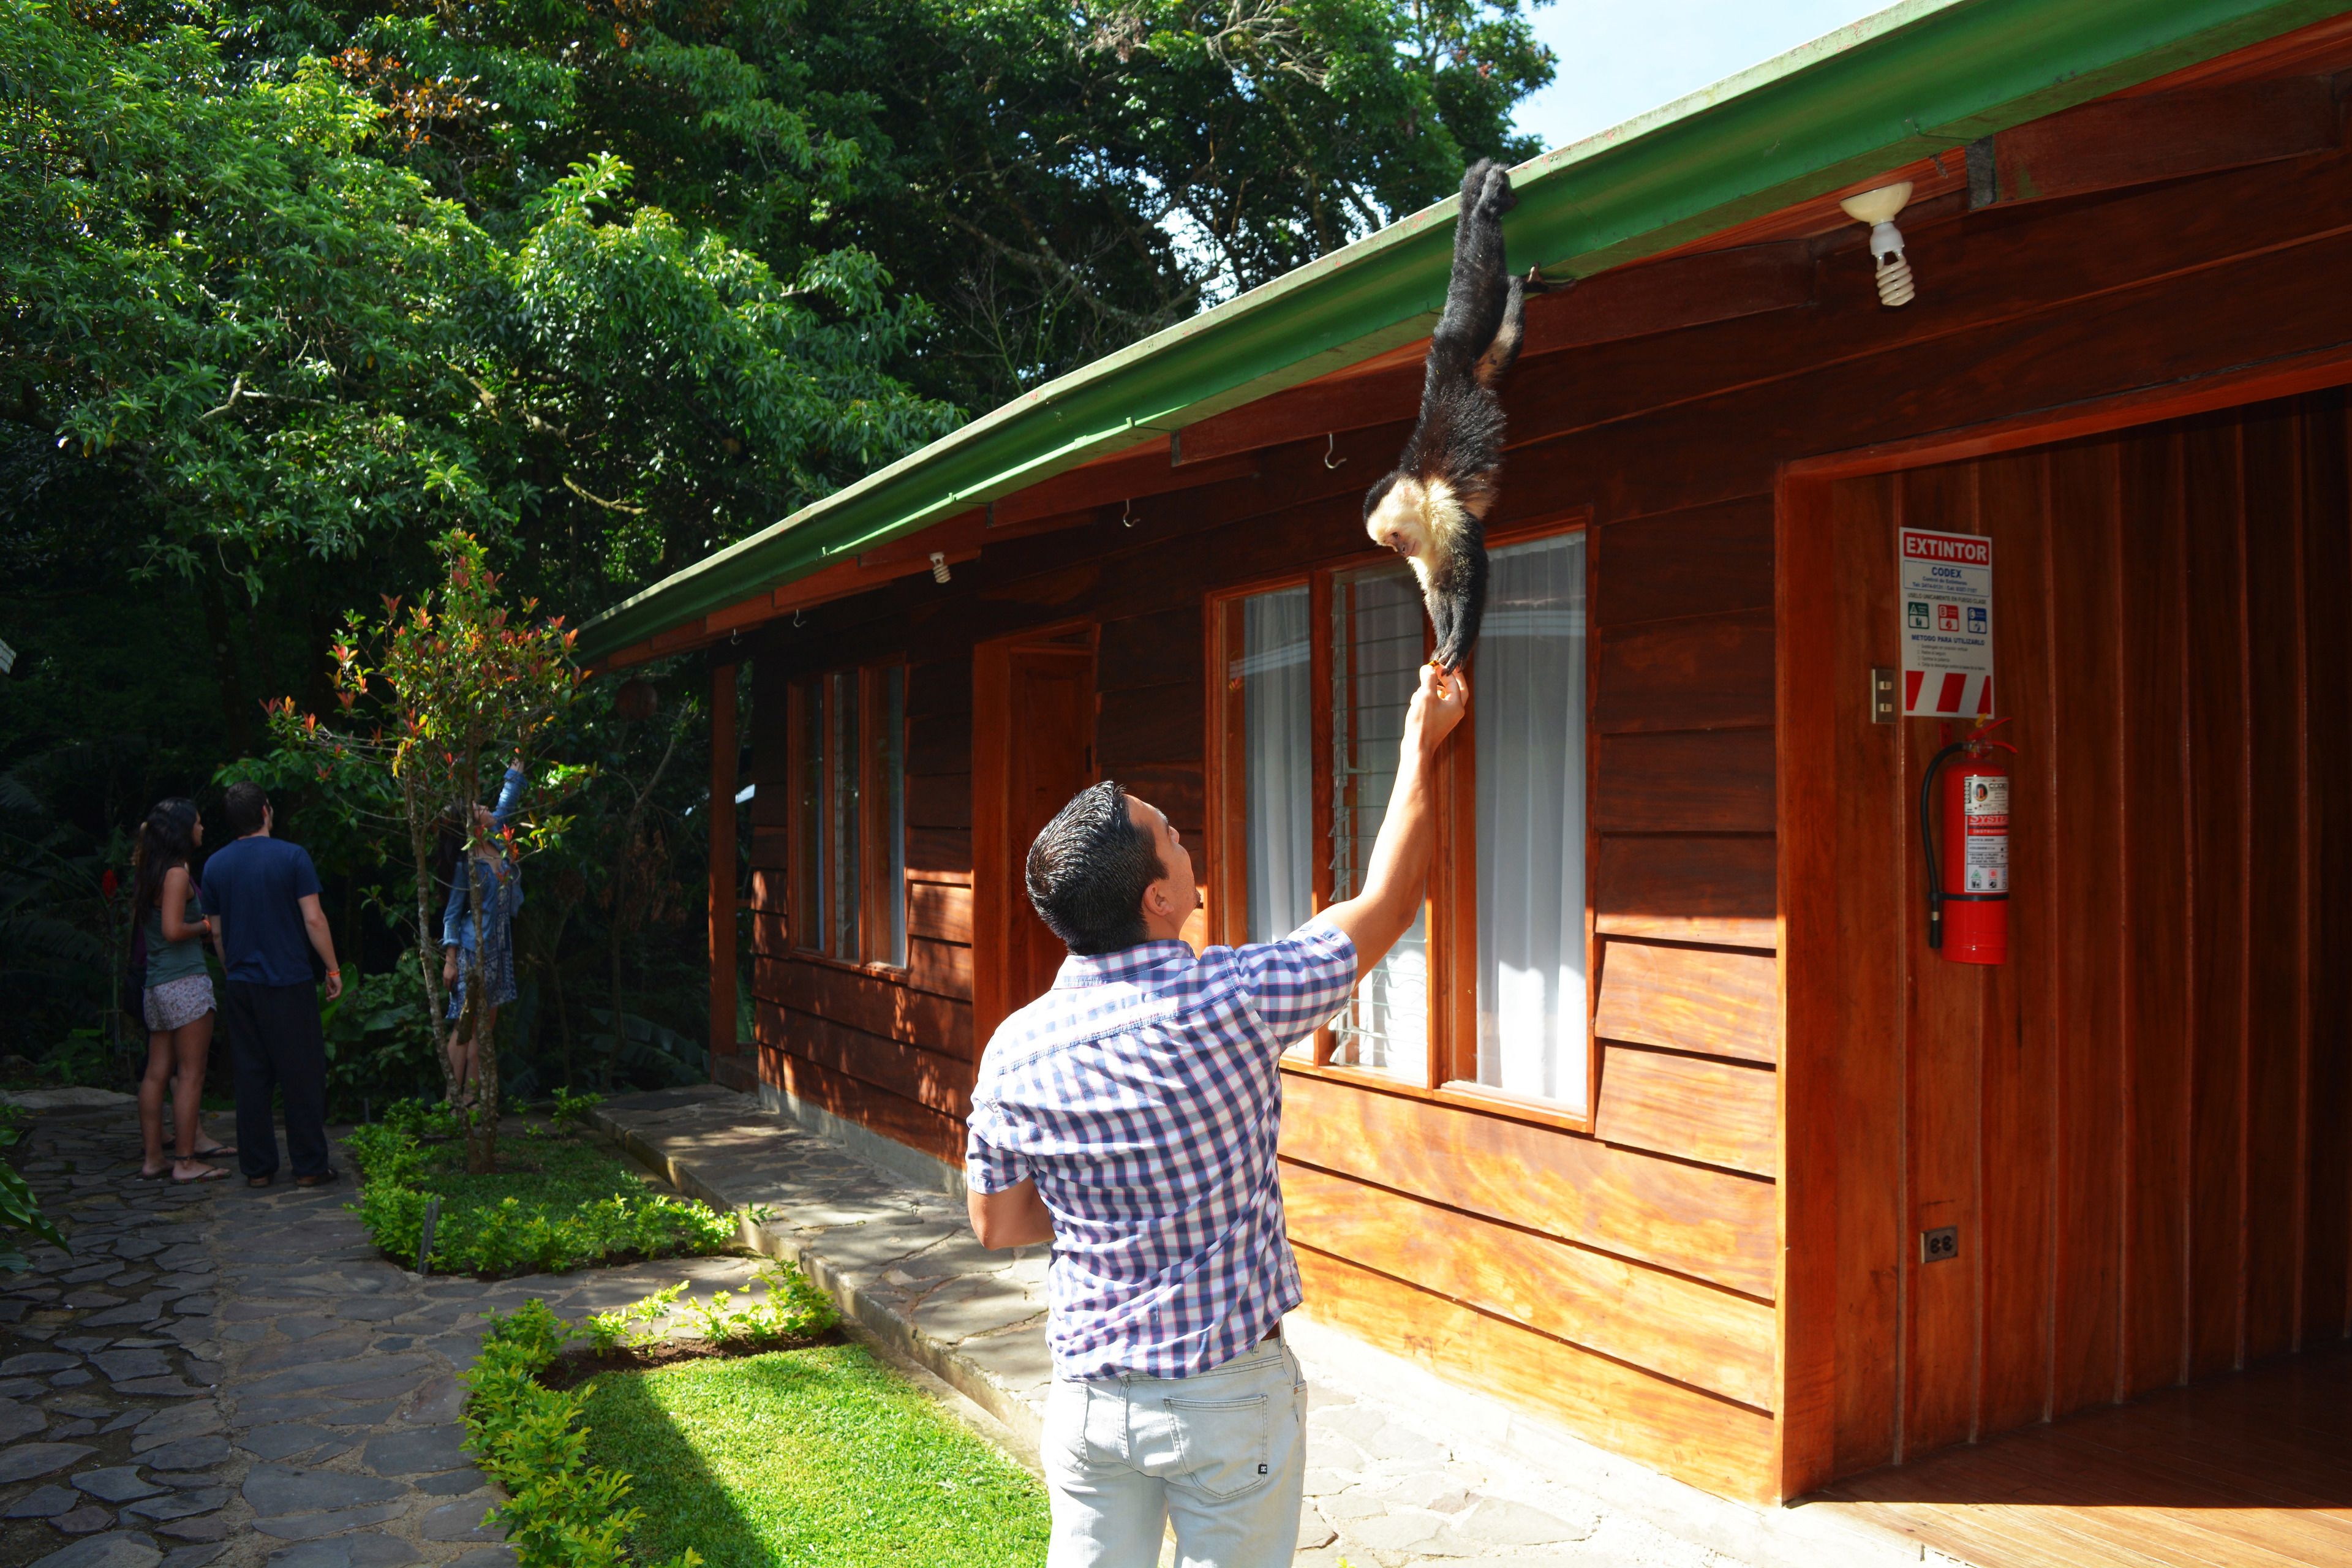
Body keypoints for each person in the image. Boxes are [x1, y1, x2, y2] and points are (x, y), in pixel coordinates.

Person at [965, 664, 1468, 1567]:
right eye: (1172, 836)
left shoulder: (1013, 1049)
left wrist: (1104, 1196)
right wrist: (1415, 747)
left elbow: (998, 1222)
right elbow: (1390, 905)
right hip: (1227, 1398)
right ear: (1158, 899)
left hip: (1089, 1402)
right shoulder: (1230, 998)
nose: (1187, 842)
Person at [201, 780, 342, 1189]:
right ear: (265, 810)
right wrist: (332, 969)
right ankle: (310, 1165)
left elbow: (217, 934)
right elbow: (314, 919)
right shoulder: (292, 857)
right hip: (289, 980)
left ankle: (259, 1168)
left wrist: (232, 971)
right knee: (301, 1074)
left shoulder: (214, 866)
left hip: (243, 983)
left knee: (251, 1076)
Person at [129, 799, 235, 1182]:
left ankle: (154, 1158)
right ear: (182, 830)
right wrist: (205, 927)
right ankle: (186, 1162)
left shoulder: (149, 871)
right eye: (198, 822)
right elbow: (174, 930)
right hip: (184, 983)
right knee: (192, 1073)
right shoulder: (175, 874)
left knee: (157, 1073)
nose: (202, 828)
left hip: (157, 986)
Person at [438, 758, 525, 1109]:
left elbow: (509, 799)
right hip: (474, 952)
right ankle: (450, 1101)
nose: (486, 808)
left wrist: (518, 764)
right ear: (473, 824)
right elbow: (452, 914)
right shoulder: (466, 863)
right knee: (466, 1027)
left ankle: (473, 1100)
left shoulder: (496, 841)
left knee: (482, 1032)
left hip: (500, 951)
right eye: (479, 808)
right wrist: (450, 960)